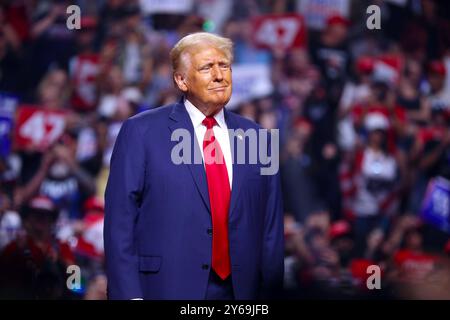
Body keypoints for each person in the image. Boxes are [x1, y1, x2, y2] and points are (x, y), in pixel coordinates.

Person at [104, 32, 284, 300]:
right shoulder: (141, 132)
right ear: (181, 80)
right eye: (206, 68)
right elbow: (120, 221)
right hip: (165, 287)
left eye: (224, 66)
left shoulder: (259, 138)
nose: (219, 75)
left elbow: (270, 229)